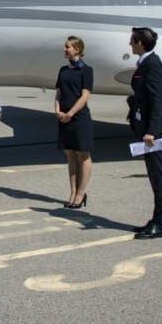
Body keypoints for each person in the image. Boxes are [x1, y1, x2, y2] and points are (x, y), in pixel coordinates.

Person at [128, 27, 162, 239]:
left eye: (132, 41)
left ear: (140, 43)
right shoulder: (145, 62)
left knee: (158, 176)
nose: (130, 44)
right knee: (153, 176)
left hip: (154, 132)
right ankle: (156, 219)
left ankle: (160, 223)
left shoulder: (152, 64)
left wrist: (152, 130)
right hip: (147, 128)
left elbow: (157, 99)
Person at [55, 36, 94, 209]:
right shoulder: (63, 70)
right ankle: (72, 192)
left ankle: (81, 193)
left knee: (83, 155)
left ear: (77, 49)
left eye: (68, 47)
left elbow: (85, 95)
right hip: (63, 117)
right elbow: (58, 93)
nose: (65, 49)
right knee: (70, 155)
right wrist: (57, 110)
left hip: (79, 117)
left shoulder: (86, 70)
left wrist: (70, 113)